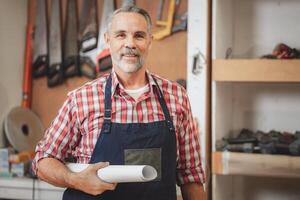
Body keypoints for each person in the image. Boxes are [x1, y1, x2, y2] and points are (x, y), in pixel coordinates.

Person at [32, 5, 205, 200]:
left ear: (149, 41)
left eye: (139, 35)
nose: (130, 43)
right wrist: (75, 180)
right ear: (108, 40)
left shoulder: (176, 97)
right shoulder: (81, 99)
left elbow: (191, 175)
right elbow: (42, 160)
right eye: (121, 35)